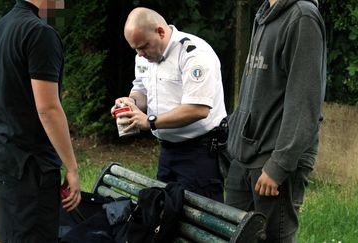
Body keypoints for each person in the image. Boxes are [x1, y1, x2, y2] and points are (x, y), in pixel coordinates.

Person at [225, 0, 326, 242]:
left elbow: (305, 100)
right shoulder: (264, 14)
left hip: (273, 159)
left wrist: (279, 164)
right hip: (245, 155)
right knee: (236, 236)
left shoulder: (302, 17)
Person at [0, 0, 81, 242]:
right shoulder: (40, 33)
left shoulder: (3, 26)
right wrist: (72, 167)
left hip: (1, 155)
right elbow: (48, 108)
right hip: (29, 168)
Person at [112, 7, 227, 202]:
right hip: (167, 150)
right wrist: (130, 103)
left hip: (200, 152)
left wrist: (150, 122)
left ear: (161, 32)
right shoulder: (144, 56)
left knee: (200, 220)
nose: (140, 54)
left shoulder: (194, 54)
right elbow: (141, 89)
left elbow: (198, 109)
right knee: (166, 215)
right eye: (135, 49)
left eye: (143, 46)